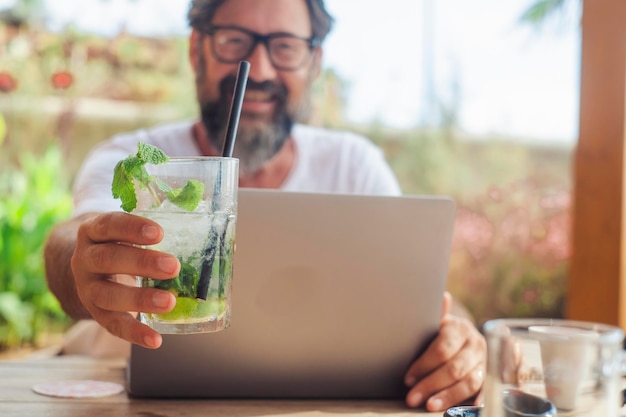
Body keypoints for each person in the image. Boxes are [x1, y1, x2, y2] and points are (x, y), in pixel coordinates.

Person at [43, 0, 486, 411]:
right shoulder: (136, 160)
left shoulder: (355, 166)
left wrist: (458, 339)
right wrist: (85, 258)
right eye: (235, 40)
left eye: (286, 46)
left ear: (315, 63)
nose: (260, 69)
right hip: (118, 400)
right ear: (197, 49)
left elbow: (426, 299)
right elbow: (71, 239)